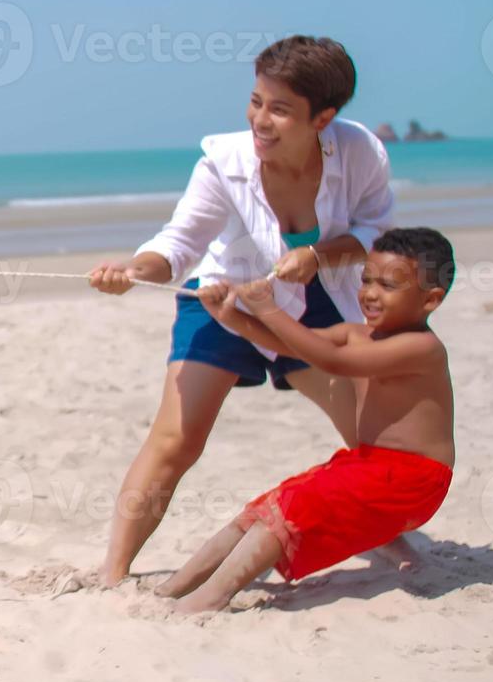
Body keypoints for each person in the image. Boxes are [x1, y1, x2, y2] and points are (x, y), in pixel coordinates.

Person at [87, 36, 396, 586]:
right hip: (221, 297)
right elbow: (179, 244)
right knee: (177, 439)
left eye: (280, 109)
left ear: (323, 117)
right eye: (256, 101)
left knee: (367, 434)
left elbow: (374, 230)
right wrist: (134, 272)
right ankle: (113, 573)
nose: (261, 120)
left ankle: (392, 537)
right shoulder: (222, 162)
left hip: (318, 300)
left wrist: (318, 255)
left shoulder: (361, 152)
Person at [157, 228, 456, 612]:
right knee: (264, 509)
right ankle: (173, 588)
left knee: (291, 513)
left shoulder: (422, 348)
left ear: (431, 299)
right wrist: (228, 314)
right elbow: (288, 345)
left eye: (388, 285)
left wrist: (269, 308)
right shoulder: (355, 333)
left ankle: (209, 598)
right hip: (369, 464)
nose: (369, 293)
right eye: (366, 279)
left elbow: (332, 362)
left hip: (415, 478)